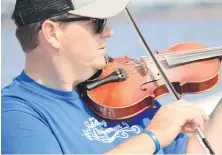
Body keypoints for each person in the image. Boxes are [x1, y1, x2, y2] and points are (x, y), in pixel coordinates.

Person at [1, 0, 222, 154]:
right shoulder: (16, 114)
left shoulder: (121, 93)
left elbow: (197, 152)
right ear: (52, 33)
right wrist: (153, 136)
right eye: (97, 23)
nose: (109, 32)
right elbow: (157, 137)